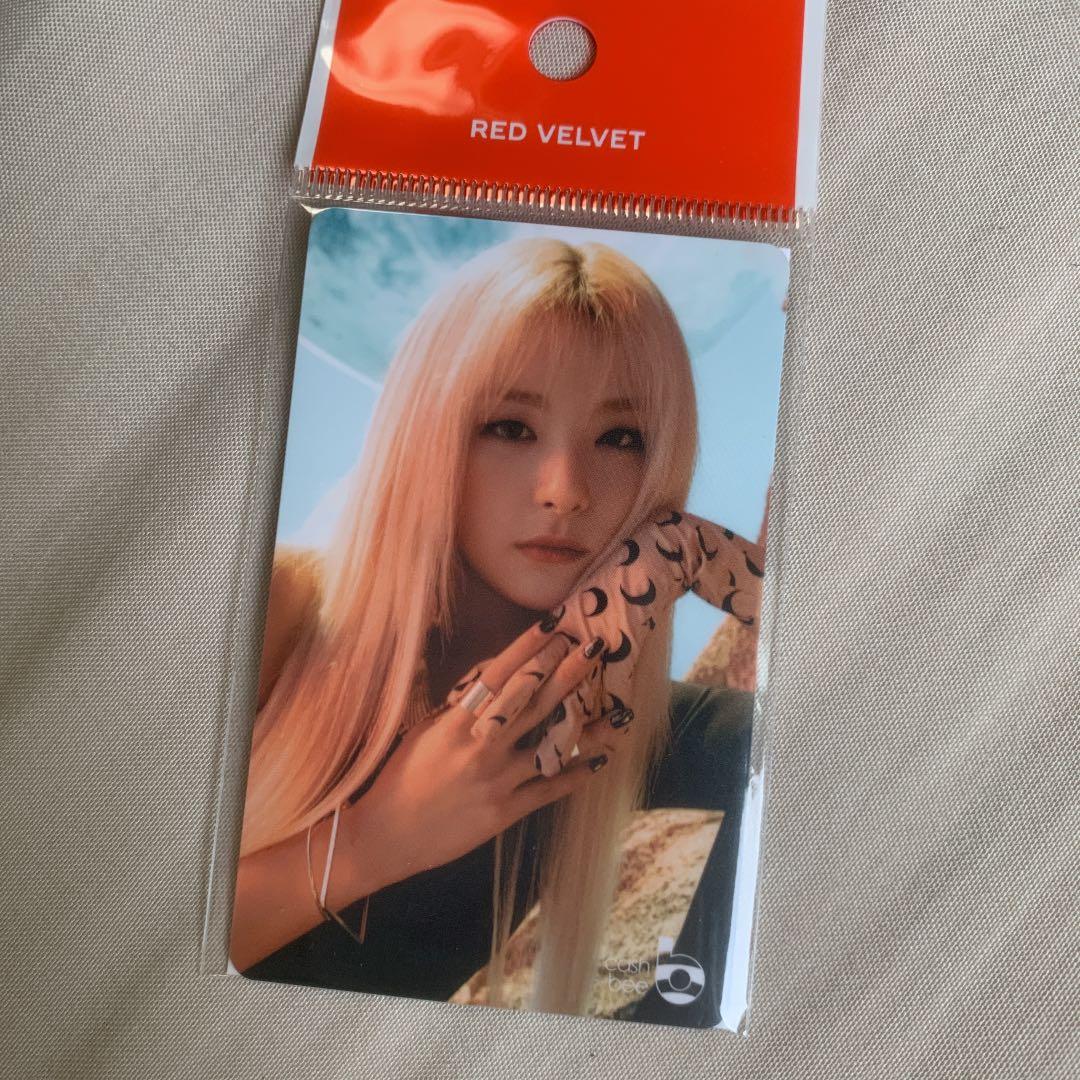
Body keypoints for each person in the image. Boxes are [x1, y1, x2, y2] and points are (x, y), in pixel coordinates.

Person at [229, 236, 763, 1017]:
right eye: (511, 427)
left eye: (621, 439)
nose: (566, 490)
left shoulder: (631, 736)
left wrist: (689, 551)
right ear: (427, 433)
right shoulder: (274, 612)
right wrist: (376, 839)